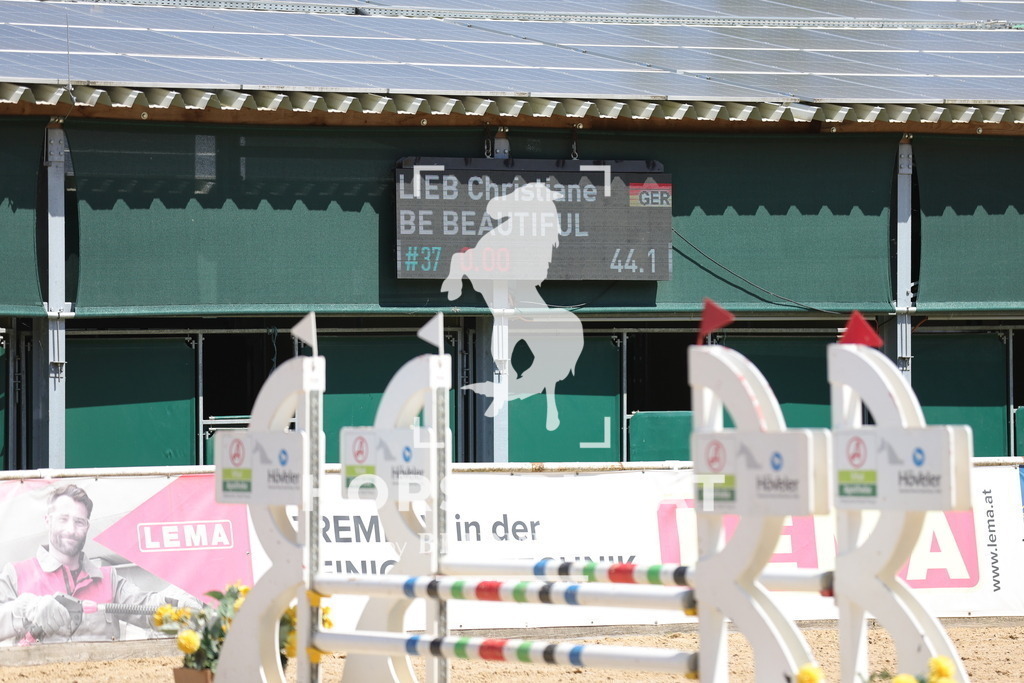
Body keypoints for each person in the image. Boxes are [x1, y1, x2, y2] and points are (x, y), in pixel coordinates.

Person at [0, 483, 194, 644]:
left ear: (87, 527)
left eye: (79, 522)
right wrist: (25, 610)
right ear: (47, 521)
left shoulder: (110, 580)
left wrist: (174, 600)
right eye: (63, 519)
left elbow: (146, 609)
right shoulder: (15, 574)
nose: (71, 529)